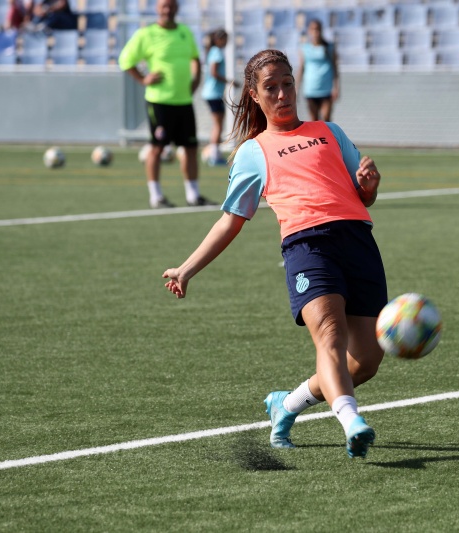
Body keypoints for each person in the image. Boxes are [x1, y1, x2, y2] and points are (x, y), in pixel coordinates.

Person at [161, 49, 387, 459]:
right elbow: (230, 220)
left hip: (358, 243)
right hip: (307, 247)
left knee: (367, 359)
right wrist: (186, 268)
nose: (282, 94)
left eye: (287, 84)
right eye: (271, 87)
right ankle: (352, 423)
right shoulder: (254, 152)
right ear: (253, 94)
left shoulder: (330, 132)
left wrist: (368, 184)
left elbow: (363, 196)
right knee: (330, 338)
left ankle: (286, 404)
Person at [118, 0, 214, 208]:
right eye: (164, 6)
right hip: (159, 101)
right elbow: (125, 60)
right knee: (157, 148)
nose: (167, 9)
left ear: (176, 8)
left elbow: (195, 58)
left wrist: (195, 80)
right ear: (157, 8)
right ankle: (156, 196)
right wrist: (143, 79)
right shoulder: (147, 34)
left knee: (190, 147)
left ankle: (193, 195)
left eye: (171, 6)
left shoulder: (184, 32)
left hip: (184, 101)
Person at [200, 29, 237, 167]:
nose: (227, 43)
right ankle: (214, 156)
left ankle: (214, 154)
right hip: (213, 93)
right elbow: (214, 72)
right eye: (225, 39)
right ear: (219, 39)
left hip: (212, 93)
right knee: (218, 125)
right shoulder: (216, 52)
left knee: (218, 124)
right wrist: (229, 81)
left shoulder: (212, 51)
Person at [296, 19, 339, 122]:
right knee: (314, 120)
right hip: (311, 89)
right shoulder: (305, 48)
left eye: (318, 29)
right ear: (309, 31)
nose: (316, 32)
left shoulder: (329, 47)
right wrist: (296, 88)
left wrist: (336, 87)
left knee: (326, 119)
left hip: (326, 89)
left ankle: (328, 138)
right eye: (313, 29)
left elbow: (335, 67)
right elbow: (301, 68)